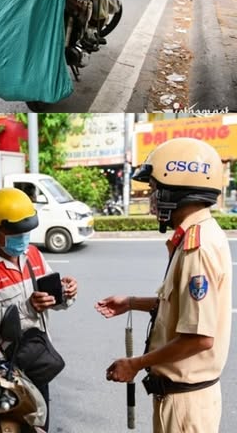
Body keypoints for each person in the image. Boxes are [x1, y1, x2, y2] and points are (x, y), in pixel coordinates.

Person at [95, 138, 232, 433]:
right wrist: (131, 302)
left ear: (177, 189)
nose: (152, 197)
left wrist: (135, 363)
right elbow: (179, 307)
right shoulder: (194, 236)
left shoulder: (199, 247)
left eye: (155, 189)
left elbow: (198, 338)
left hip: (185, 406)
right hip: (182, 399)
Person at [0, 188, 78, 432]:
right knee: (5, 428)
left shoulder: (32, 254)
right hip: (1, 364)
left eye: (26, 231)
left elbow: (50, 297)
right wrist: (28, 307)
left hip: (34, 357)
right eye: (15, 232)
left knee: (38, 425)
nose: (22, 237)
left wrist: (64, 294)